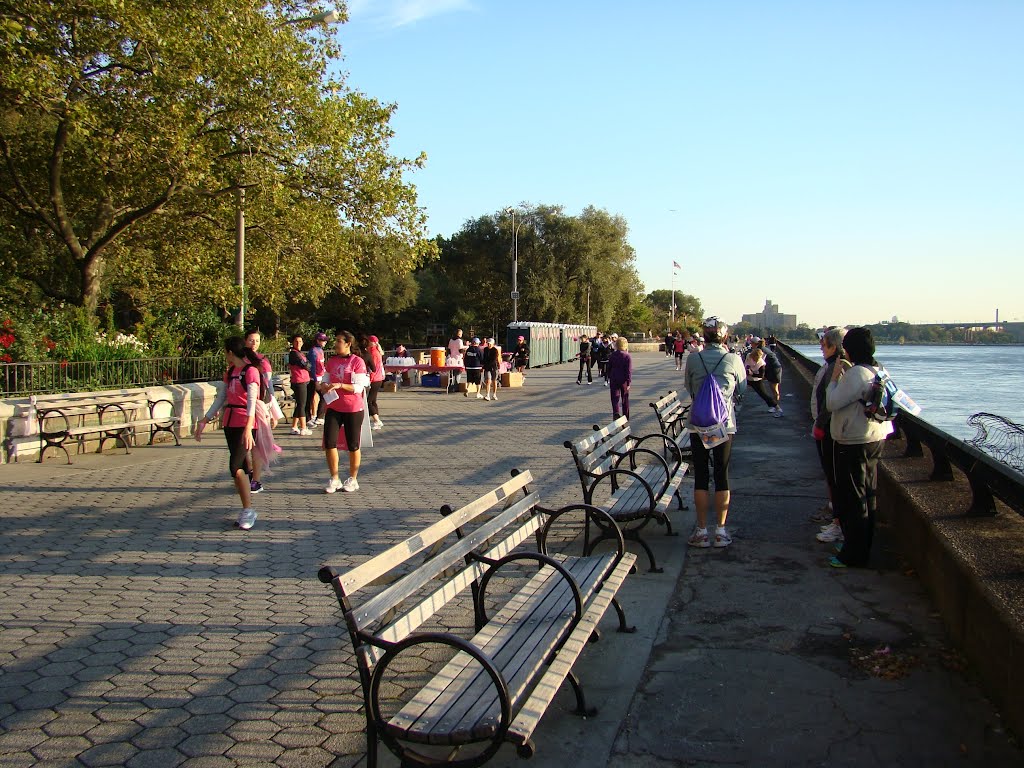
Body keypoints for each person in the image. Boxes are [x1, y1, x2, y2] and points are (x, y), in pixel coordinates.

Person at [195, 336, 280, 531]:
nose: (224, 355)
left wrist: (249, 427)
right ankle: (246, 507)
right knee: (239, 466)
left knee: (235, 467)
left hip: (244, 421)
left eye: (225, 352)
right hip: (230, 421)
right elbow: (221, 397)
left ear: (230, 352)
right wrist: (205, 419)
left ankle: (248, 508)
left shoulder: (251, 372)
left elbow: (252, 400)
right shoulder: (231, 372)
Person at [825, 327, 894, 568]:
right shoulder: (878, 370)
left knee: (852, 497)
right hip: (876, 436)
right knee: (867, 494)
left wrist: (835, 378)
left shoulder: (856, 374)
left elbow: (832, 402)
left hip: (853, 440)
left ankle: (853, 554)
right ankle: (862, 546)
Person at [684, 317, 747, 548]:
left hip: (698, 424)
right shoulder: (733, 358)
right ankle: (720, 531)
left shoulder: (693, 358)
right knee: (722, 474)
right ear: (724, 336)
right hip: (724, 424)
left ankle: (701, 531)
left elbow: (689, 387)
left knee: (700, 475)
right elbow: (742, 388)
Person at [811, 327, 849, 543]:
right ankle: (837, 520)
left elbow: (830, 400)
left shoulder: (837, 367)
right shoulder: (833, 365)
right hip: (828, 427)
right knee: (832, 475)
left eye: (824, 344)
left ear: (835, 346)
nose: (821, 347)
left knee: (834, 476)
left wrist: (820, 424)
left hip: (830, 429)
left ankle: (838, 523)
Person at [319, 331, 369, 493]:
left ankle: (353, 479)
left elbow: (359, 387)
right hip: (334, 406)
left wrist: (340, 385)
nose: (336, 344)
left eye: (339, 341)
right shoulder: (332, 361)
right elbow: (324, 380)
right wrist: (323, 386)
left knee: (353, 445)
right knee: (329, 442)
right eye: (336, 341)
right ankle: (334, 478)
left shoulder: (357, 361)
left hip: (352, 408)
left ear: (348, 344)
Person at [243, 328, 279, 493]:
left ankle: (256, 479)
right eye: (251, 340)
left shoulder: (262, 361)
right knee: (243, 446)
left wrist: (273, 410)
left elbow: (269, 386)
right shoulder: (238, 360)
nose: (254, 344)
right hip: (241, 407)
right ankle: (249, 471)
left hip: (259, 405)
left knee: (256, 444)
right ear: (245, 341)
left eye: (257, 341)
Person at [287, 334, 312, 436]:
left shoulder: (300, 353)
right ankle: (303, 427)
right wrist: (306, 365)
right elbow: (304, 364)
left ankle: (294, 426)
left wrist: (307, 365)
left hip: (303, 380)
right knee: (302, 405)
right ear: (293, 343)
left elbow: (308, 365)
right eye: (296, 341)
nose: (298, 343)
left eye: (300, 341)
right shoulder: (293, 353)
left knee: (299, 404)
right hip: (298, 381)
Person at [607, 336, 633, 419]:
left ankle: (616, 414)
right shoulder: (627, 356)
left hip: (614, 378)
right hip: (624, 380)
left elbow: (609, 367)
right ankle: (625, 416)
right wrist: (629, 382)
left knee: (615, 399)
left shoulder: (613, 355)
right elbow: (628, 371)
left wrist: (608, 376)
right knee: (624, 399)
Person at [364, 334, 385, 430]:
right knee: (373, 400)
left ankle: (377, 420)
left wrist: (369, 380)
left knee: (369, 402)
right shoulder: (377, 352)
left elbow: (373, 368)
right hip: (379, 378)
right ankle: (377, 419)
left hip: (375, 379)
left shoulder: (373, 353)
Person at [307, 332, 327, 427]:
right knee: (309, 398)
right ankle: (310, 418)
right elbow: (312, 367)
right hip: (313, 379)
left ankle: (318, 417)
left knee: (323, 396)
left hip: (320, 377)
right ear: (317, 341)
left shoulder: (320, 351)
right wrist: (315, 380)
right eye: (323, 340)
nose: (325, 342)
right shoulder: (313, 351)